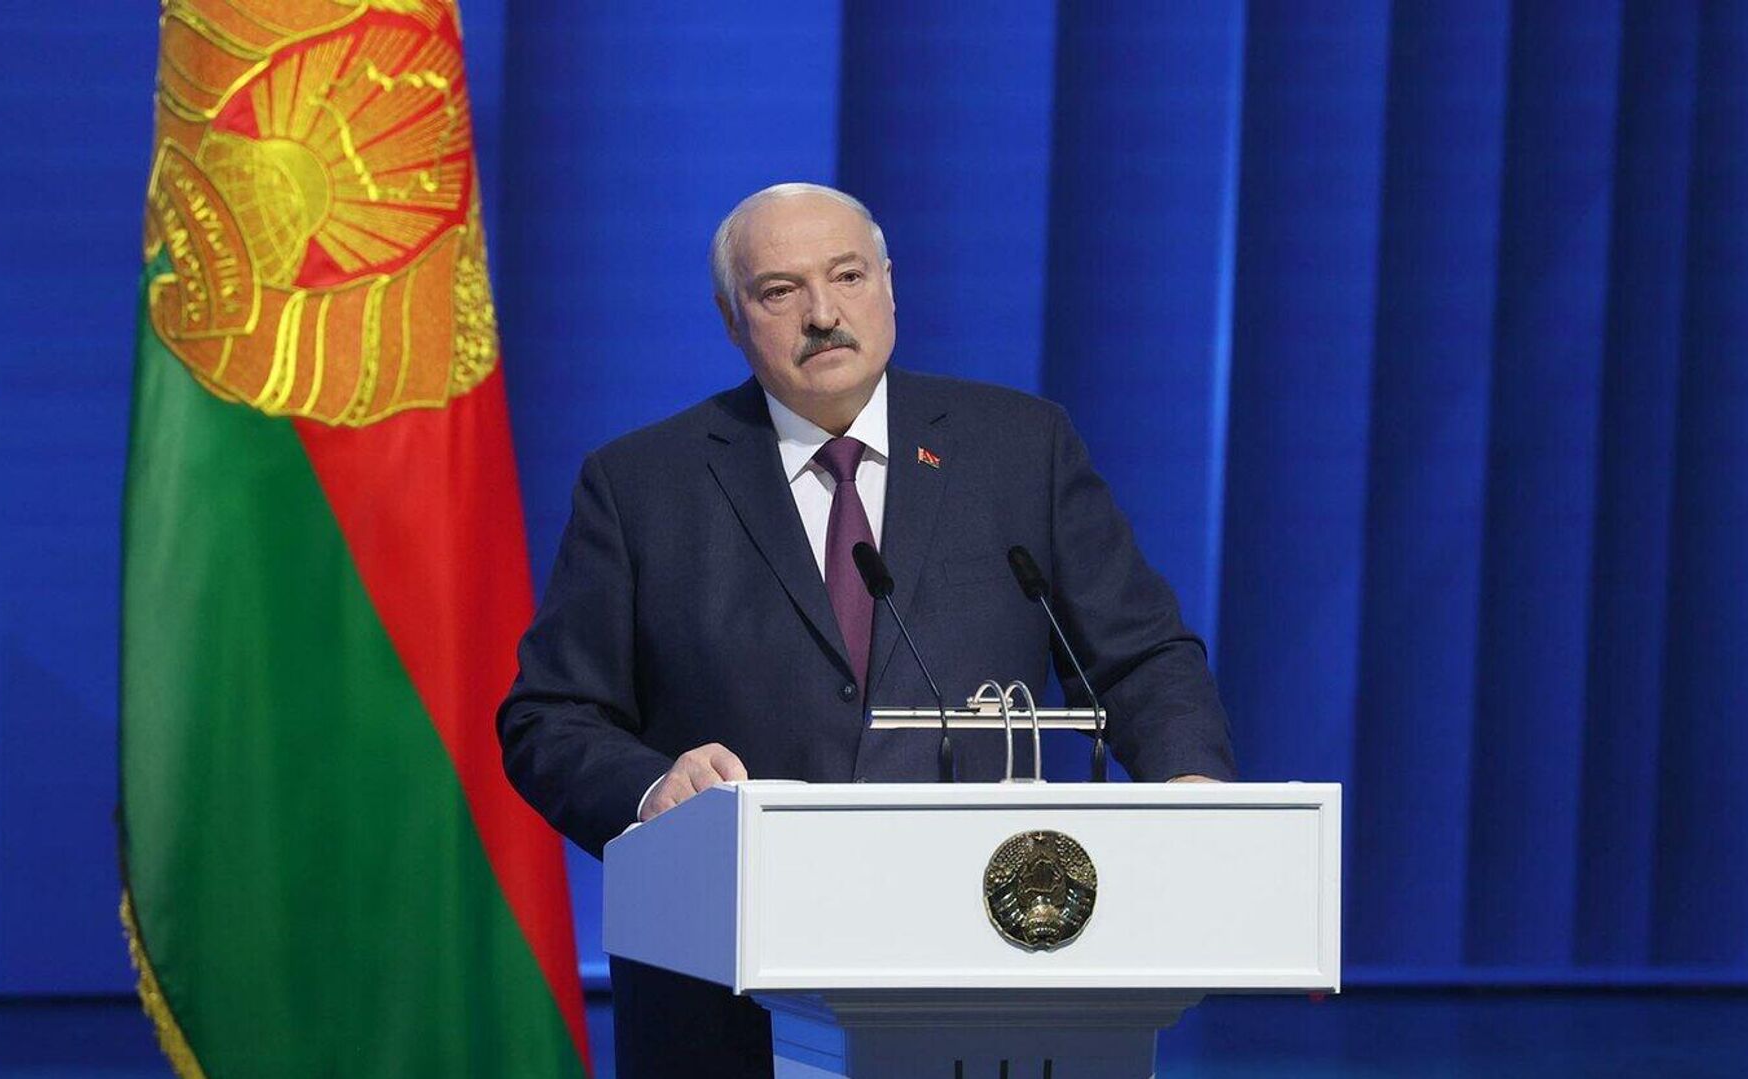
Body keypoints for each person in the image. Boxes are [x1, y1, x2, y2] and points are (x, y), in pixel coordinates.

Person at [497, 182, 1235, 1079]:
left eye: (847, 276)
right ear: (731, 320)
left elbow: (1141, 658)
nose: (822, 313)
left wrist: (1193, 793)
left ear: (890, 286)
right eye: (780, 290)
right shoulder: (641, 484)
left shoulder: (1019, 447)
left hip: (990, 974)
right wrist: (655, 790)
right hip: (725, 1004)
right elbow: (550, 716)